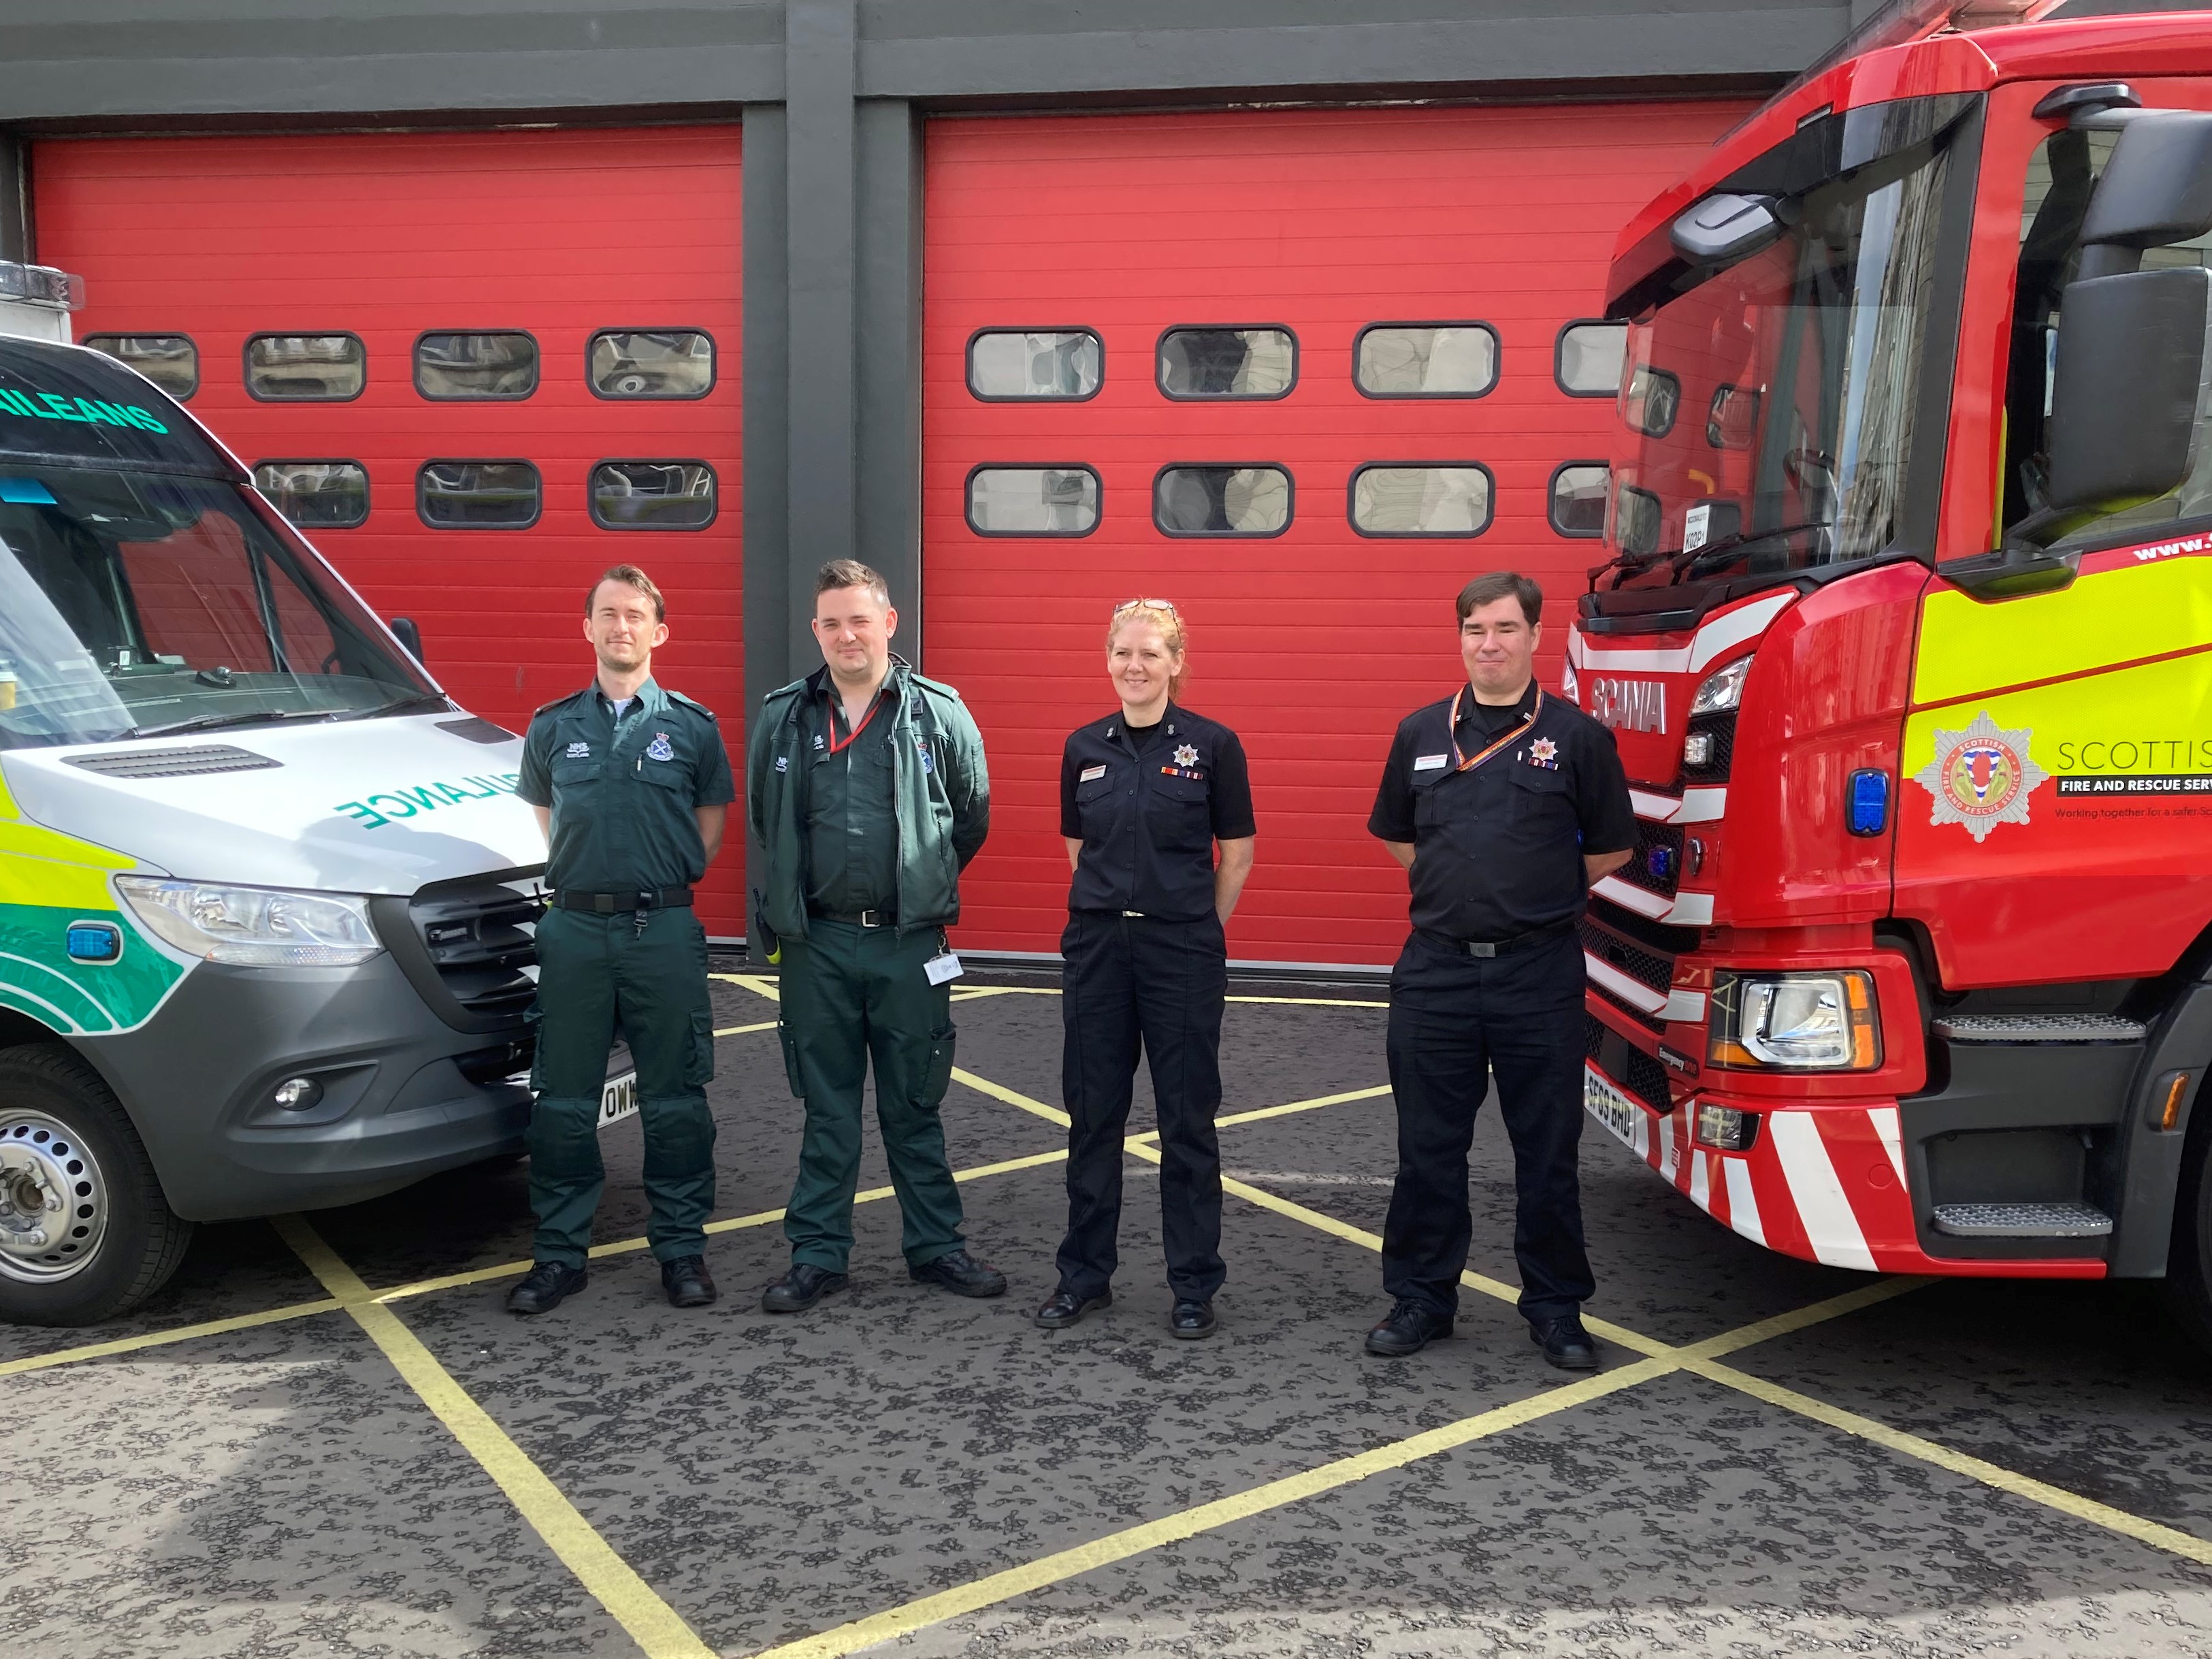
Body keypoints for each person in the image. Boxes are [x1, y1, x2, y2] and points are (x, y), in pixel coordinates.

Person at [1363, 570, 1634, 1370]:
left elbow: (1612, 846)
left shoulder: (1578, 738)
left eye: (1506, 629)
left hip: (1537, 973)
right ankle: (1421, 1298)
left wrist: (1532, 895)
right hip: (1436, 974)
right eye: (1476, 629)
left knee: (1546, 1149)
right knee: (1427, 1147)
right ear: (1460, 638)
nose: (1490, 643)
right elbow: (1397, 835)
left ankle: (1555, 1308)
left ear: (1534, 636)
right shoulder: (1418, 732)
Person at [747, 558, 1001, 1312]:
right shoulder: (784, 716)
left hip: (907, 945)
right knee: (826, 1108)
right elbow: (769, 818)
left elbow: (971, 815)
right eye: (831, 622)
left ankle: (935, 1247)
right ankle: (818, 1255)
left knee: (913, 1103)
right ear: (816, 631)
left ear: (889, 623)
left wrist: (920, 884)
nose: (846, 634)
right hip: (815, 945)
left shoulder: (938, 712)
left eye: (859, 619)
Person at [507, 564, 736, 1315]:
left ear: (658, 631)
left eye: (635, 615)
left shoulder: (692, 727)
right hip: (573, 928)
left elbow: (707, 830)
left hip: (661, 930)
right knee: (562, 1100)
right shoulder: (551, 725)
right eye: (607, 613)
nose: (620, 627)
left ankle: (681, 1251)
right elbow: (546, 818)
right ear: (588, 627)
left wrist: (654, 880)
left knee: (675, 1099)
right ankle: (559, 1255)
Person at [1036, 599, 1256, 1339]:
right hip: (1099, 949)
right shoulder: (1081, 747)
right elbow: (1079, 846)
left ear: (1175, 664)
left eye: (1151, 654)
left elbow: (1239, 851)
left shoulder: (1213, 746)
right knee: (1092, 1115)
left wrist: (1195, 926)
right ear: (1107, 659)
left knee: (1186, 1120)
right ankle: (1082, 1277)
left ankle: (1193, 1285)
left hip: (1180, 952)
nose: (1135, 666)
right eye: (1123, 653)